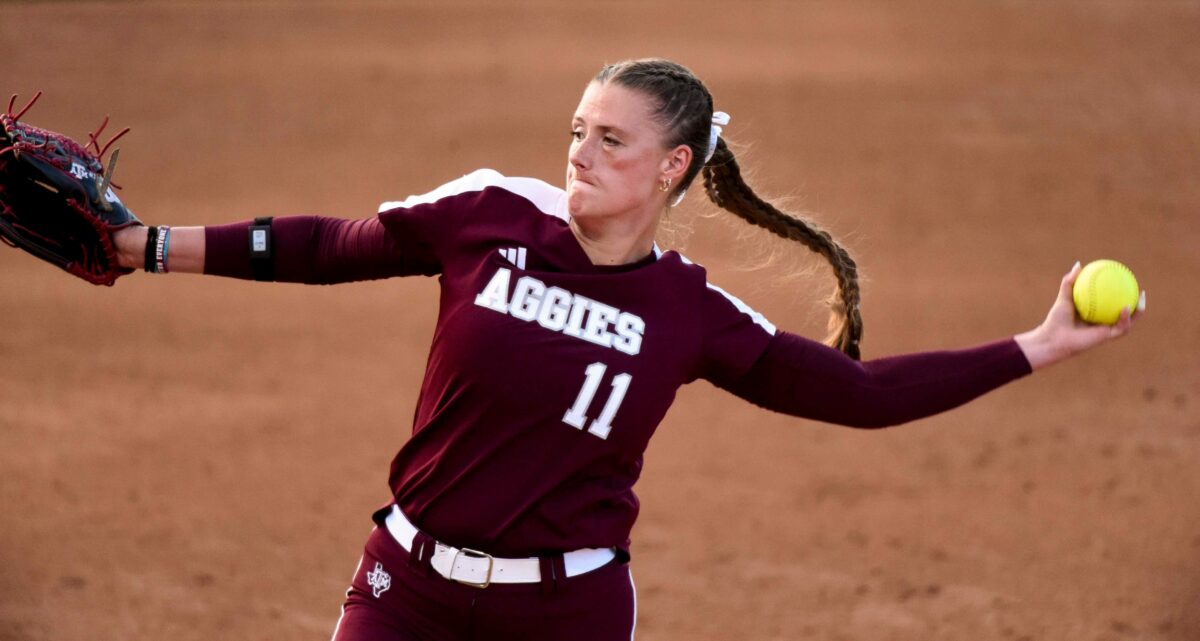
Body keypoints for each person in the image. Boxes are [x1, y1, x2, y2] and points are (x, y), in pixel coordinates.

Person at [111, 58, 1135, 641]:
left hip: (567, 612)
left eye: (611, 139)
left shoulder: (690, 312)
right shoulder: (489, 215)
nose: (580, 153)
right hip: (405, 589)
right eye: (577, 129)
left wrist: (1038, 345)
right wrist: (150, 246)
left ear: (673, 166)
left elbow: (856, 394)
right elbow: (329, 245)